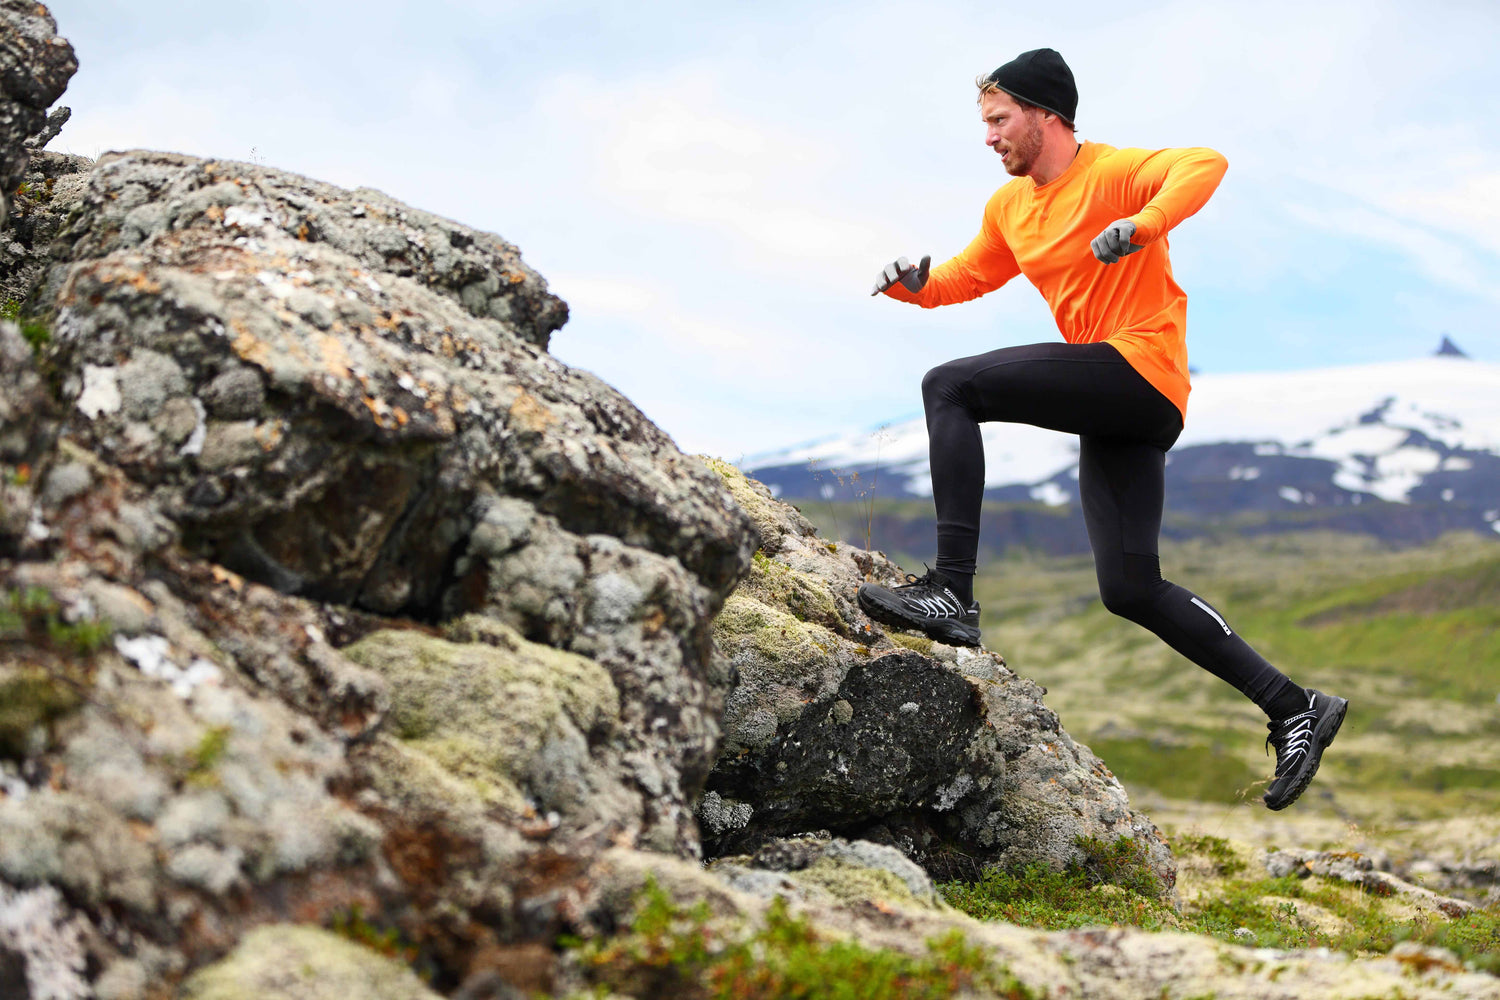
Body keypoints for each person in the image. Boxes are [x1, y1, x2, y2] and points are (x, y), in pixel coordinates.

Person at [855, 48, 1346, 811]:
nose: (988, 137)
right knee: (1130, 588)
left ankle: (952, 590)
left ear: (1046, 115)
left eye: (999, 120)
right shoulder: (1010, 208)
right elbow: (969, 275)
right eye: (984, 123)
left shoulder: (1112, 171)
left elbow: (1206, 163)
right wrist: (915, 288)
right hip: (1121, 401)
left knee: (948, 386)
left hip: (1140, 368)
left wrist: (1144, 224)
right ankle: (1293, 706)